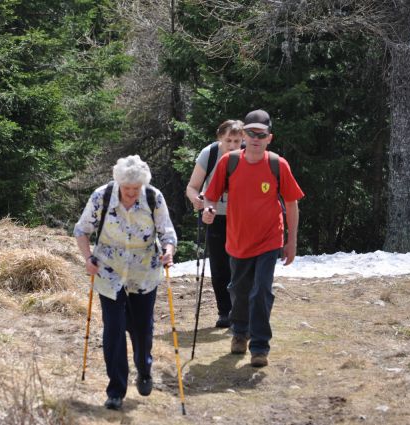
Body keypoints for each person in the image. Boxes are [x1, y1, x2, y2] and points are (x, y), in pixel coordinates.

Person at [202, 109, 304, 368]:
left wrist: (291, 242)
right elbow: (211, 195)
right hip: (237, 240)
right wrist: (208, 209)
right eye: (251, 133)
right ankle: (239, 332)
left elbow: (291, 205)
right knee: (239, 290)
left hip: (269, 240)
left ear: (269, 137)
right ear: (245, 135)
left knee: (260, 292)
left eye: (261, 134)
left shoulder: (277, 164)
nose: (256, 138)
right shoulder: (230, 162)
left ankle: (259, 346)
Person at [74, 155, 177, 410]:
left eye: (136, 189)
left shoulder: (154, 197)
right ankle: (116, 390)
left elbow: (168, 232)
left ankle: (144, 369)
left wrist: (168, 250)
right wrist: (87, 258)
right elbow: (82, 230)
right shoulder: (102, 196)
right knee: (114, 329)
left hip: (144, 270)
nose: (131, 194)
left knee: (142, 329)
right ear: (118, 182)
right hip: (109, 269)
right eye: (127, 189)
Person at [185, 120, 244, 328]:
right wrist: (197, 200)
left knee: (240, 265)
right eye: (228, 140)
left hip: (242, 217)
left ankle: (240, 310)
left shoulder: (248, 155)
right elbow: (192, 187)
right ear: (220, 138)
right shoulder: (209, 154)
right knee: (219, 266)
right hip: (214, 215)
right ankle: (224, 312)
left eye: (237, 140)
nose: (232, 145)